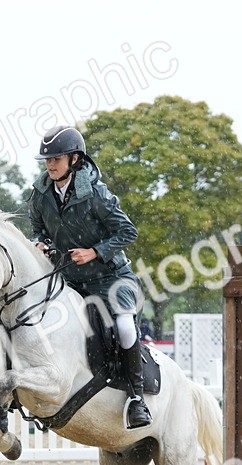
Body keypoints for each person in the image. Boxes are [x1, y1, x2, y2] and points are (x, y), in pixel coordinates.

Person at [27, 125, 150, 429]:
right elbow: (38, 228)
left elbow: (127, 232)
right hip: (70, 278)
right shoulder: (41, 193)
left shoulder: (96, 193)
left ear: (75, 159)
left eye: (56, 159)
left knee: (123, 326)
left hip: (110, 277)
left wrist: (95, 251)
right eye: (47, 160)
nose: (50, 165)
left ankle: (137, 398)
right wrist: (41, 243)